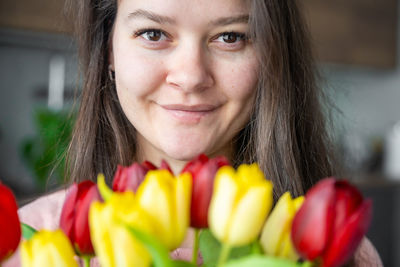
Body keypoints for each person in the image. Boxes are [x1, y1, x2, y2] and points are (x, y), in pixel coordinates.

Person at [4, 0, 382, 266]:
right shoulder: (30, 244)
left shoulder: (341, 253)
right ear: (108, 51)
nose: (190, 77)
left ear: (272, 56)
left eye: (230, 37)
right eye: (153, 33)